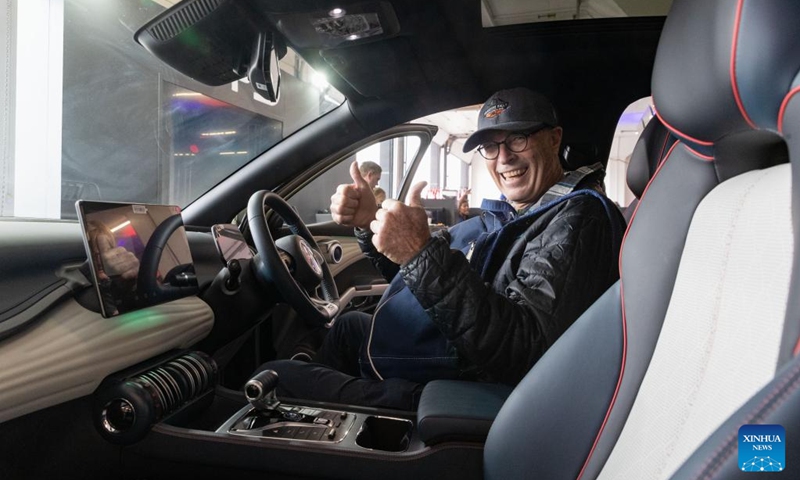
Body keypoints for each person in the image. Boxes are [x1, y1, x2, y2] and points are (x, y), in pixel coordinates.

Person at [258, 88, 624, 410]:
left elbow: (523, 348)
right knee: (349, 326)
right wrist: (372, 225)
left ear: (555, 139)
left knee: (275, 377)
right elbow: (422, 283)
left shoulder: (578, 216)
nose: (504, 158)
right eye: (491, 146)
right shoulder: (522, 214)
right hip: (450, 351)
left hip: (462, 388)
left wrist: (420, 252)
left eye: (518, 138)